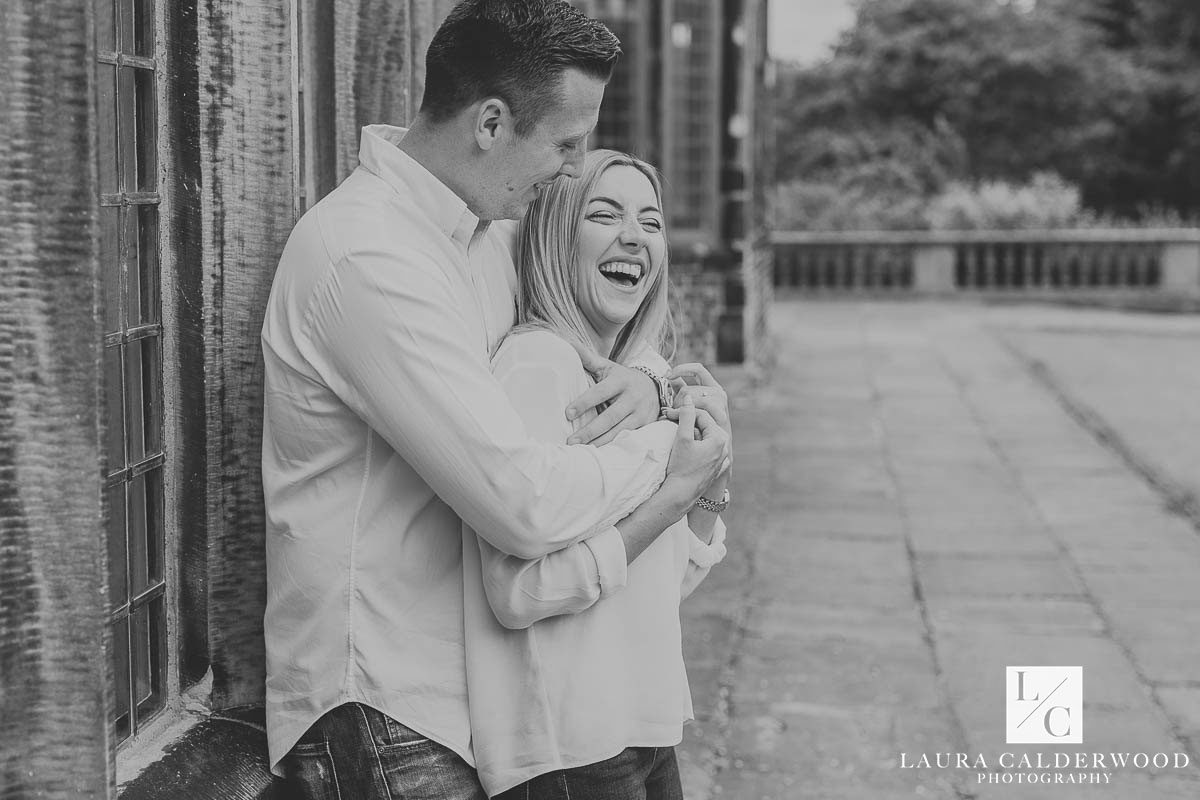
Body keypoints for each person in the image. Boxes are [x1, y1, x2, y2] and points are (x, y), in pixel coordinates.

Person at [260, 2, 730, 799]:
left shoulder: (481, 231)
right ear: (490, 124)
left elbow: (600, 312)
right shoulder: (369, 256)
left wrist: (655, 390)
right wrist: (669, 461)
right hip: (385, 706)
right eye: (565, 144)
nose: (574, 170)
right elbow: (526, 503)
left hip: (469, 696)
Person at [462, 150, 732, 800]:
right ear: (556, 238)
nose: (634, 237)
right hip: (568, 749)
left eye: (652, 222)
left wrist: (713, 474)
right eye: (604, 215)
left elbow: (660, 586)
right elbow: (519, 594)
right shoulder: (538, 366)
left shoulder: (639, 374)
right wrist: (671, 492)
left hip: (639, 728)